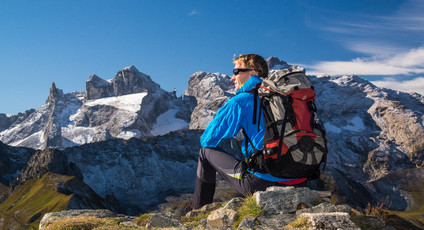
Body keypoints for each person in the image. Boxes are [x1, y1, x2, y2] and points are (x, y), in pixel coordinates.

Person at [193, 54, 307, 209]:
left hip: (263, 182)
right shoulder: (283, 98)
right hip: (300, 179)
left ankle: (199, 209)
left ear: (253, 73)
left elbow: (207, 140)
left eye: (236, 71)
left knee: (204, 152)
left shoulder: (240, 101)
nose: (232, 78)